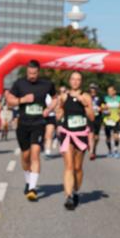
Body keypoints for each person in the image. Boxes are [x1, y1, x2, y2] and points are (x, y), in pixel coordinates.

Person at [6, 60, 55, 201]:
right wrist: (22, 100)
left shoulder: (47, 84)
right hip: (23, 124)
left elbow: (56, 98)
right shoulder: (19, 83)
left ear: (38, 72)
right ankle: (28, 181)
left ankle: (32, 189)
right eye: (29, 73)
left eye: (34, 73)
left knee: (35, 154)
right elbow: (9, 100)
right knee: (25, 157)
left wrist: (49, 109)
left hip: (39, 123)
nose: (31, 76)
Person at [50, 71, 94, 210]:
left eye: (78, 79)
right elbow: (58, 116)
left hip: (81, 135)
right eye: (73, 79)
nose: (75, 82)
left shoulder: (86, 96)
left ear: (81, 82)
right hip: (67, 134)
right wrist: (58, 110)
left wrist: (85, 105)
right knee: (68, 166)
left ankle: (75, 191)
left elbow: (92, 117)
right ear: (69, 81)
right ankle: (68, 196)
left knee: (77, 168)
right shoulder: (63, 96)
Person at [102, 85, 120, 157]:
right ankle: (110, 150)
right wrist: (104, 109)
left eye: (111, 91)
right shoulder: (105, 99)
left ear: (114, 91)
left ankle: (116, 150)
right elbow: (102, 107)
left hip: (116, 119)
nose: (109, 92)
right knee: (108, 137)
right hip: (107, 120)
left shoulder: (119, 99)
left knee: (116, 136)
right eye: (108, 91)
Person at [87, 84, 103, 160]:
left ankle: (93, 149)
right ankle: (91, 149)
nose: (92, 91)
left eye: (94, 90)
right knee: (89, 135)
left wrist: (102, 108)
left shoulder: (100, 98)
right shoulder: (86, 97)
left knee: (96, 137)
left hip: (97, 118)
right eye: (91, 90)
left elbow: (105, 106)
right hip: (88, 118)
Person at [44, 90, 58, 157]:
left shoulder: (53, 96)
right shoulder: (40, 94)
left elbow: (57, 106)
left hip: (51, 116)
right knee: (44, 135)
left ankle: (48, 151)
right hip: (40, 117)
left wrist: (49, 109)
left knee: (49, 134)